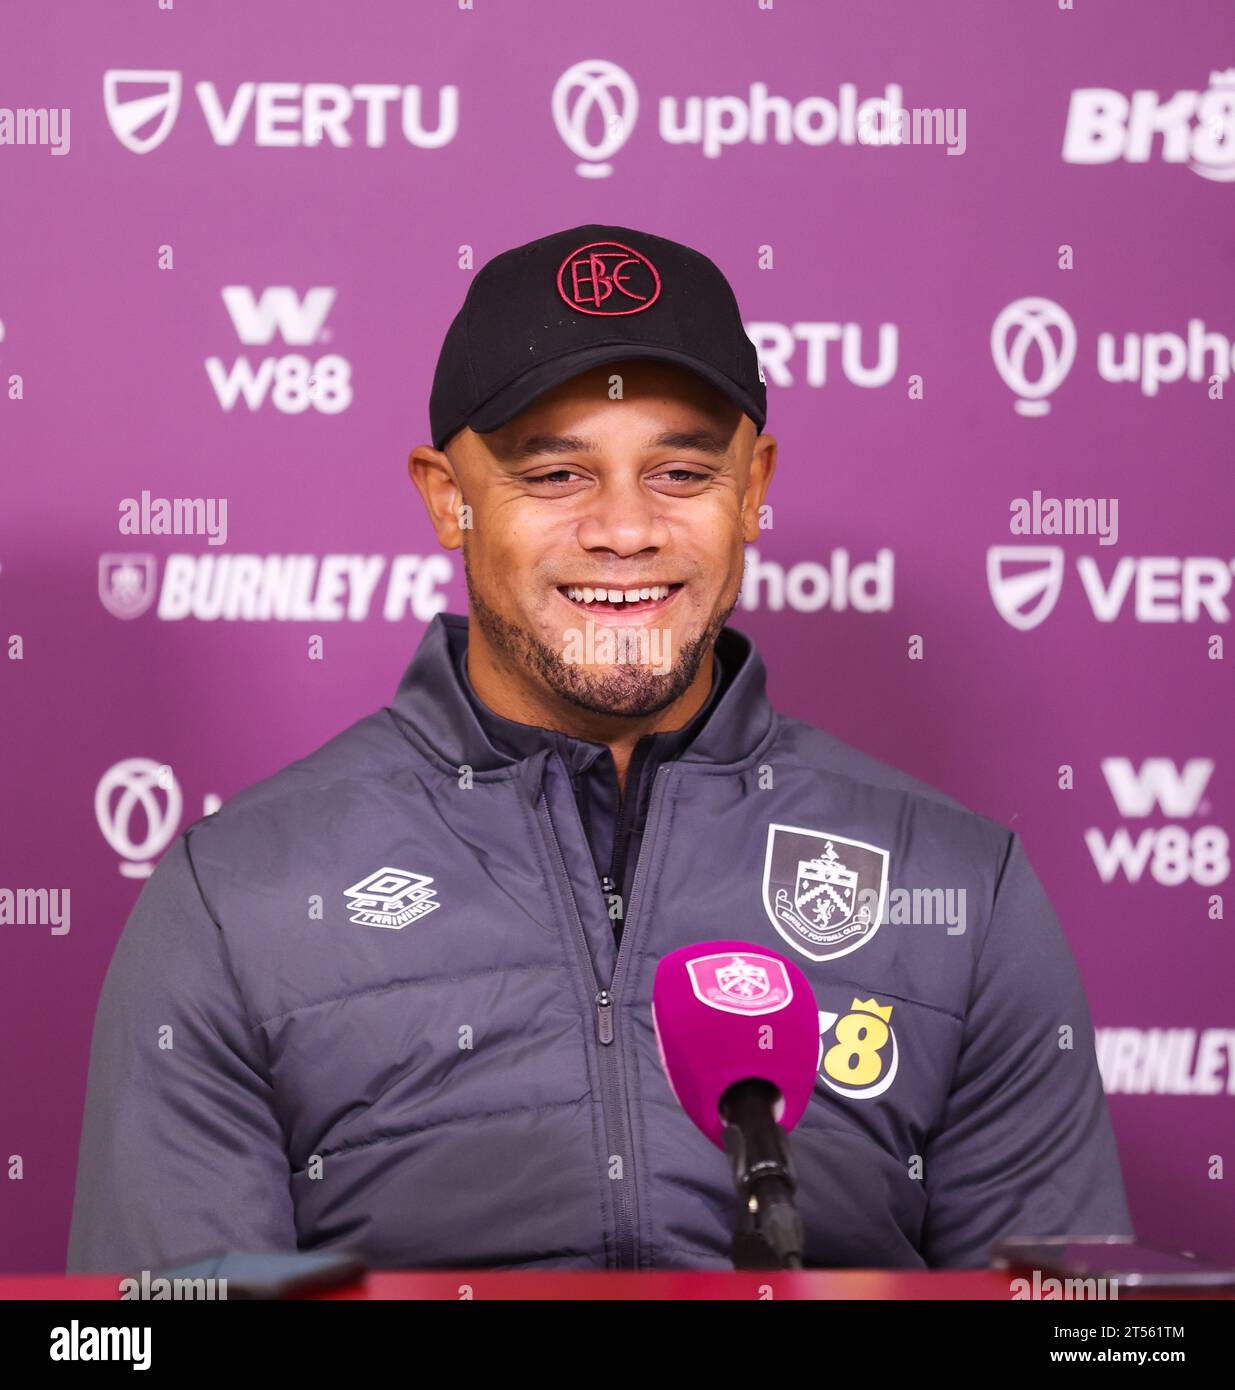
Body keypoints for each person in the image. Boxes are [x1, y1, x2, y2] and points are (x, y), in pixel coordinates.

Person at [68, 223, 1133, 1273]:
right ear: (448, 498)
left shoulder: (957, 885)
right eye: (555, 476)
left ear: (753, 487)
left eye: (678, 471)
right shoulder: (239, 895)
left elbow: (1074, 1342)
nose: (625, 530)